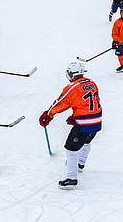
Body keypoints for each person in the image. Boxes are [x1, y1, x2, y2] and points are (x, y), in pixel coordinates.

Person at [39, 60, 102, 189]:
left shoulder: (73, 87)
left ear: (72, 74)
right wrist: (75, 116)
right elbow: (88, 103)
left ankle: (72, 178)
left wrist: (48, 114)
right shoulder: (92, 83)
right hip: (96, 121)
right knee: (86, 142)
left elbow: (62, 102)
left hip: (84, 123)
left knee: (71, 149)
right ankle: (80, 164)